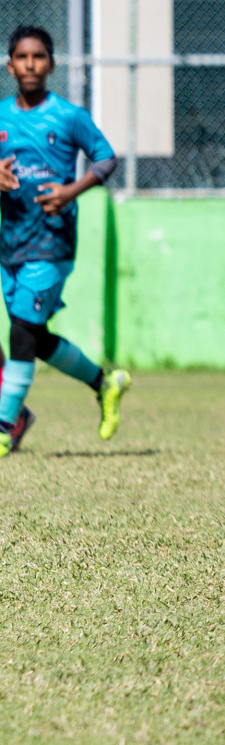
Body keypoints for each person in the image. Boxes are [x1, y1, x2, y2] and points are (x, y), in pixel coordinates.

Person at [0, 26, 130, 455]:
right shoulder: (1, 115)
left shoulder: (69, 115)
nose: (31, 64)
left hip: (52, 244)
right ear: (10, 64)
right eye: (22, 57)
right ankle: (104, 382)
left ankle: (3, 428)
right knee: (33, 336)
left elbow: (107, 157)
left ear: (51, 64)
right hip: (11, 243)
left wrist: (71, 191)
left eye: (39, 57)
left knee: (20, 332)